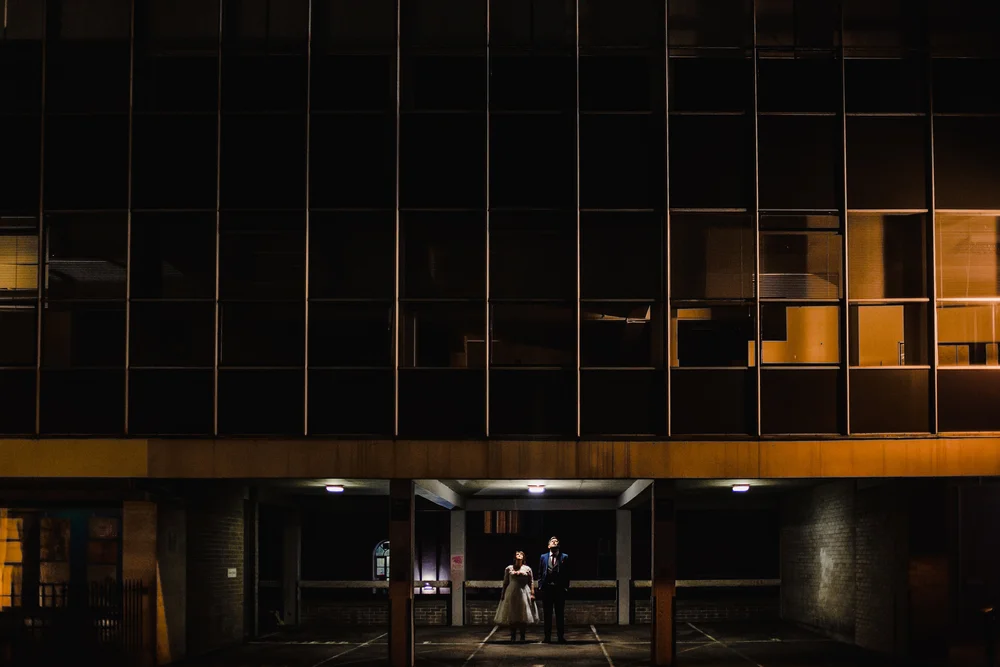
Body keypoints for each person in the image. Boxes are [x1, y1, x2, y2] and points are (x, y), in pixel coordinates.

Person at [494, 550, 537, 643]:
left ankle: (522, 636)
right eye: (517, 554)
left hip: (524, 592)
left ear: (524, 557)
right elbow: (505, 582)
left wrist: (532, 593)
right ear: (514, 557)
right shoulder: (509, 568)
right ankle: (512, 636)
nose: (519, 555)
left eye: (521, 554)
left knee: (523, 613)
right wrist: (503, 594)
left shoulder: (527, 568)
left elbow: (531, 581)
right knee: (512, 613)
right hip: (512, 592)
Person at [537, 536, 569, 643]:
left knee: (560, 614)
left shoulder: (564, 557)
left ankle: (560, 637)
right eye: (552, 541)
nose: (554, 542)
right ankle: (547, 637)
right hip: (547, 589)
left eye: (556, 541)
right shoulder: (543, 557)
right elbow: (540, 572)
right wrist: (540, 585)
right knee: (547, 614)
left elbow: (568, 573)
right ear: (548, 545)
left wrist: (565, 587)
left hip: (559, 589)